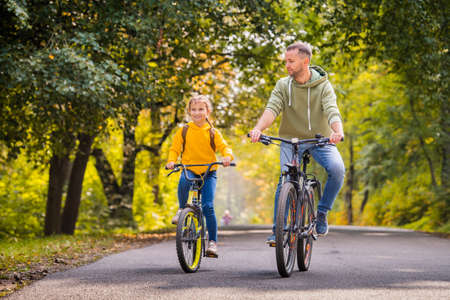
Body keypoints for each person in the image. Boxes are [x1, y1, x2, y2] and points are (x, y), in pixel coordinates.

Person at [249, 41, 345, 243]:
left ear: (305, 61)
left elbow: (331, 110)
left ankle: (321, 212)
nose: (287, 65)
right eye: (286, 61)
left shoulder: (323, 86)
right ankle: (279, 230)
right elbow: (272, 109)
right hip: (290, 140)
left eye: (291, 61)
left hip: (320, 140)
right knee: (285, 180)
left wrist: (338, 131)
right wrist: (259, 129)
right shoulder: (283, 85)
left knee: (337, 169)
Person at [166, 94, 234, 257]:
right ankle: (182, 208)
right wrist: (171, 161)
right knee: (183, 181)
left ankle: (212, 242)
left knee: (208, 206)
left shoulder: (212, 131)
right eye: (194, 110)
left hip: (208, 172)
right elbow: (175, 149)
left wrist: (227, 157)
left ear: (208, 111)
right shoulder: (184, 130)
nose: (197, 113)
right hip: (189, 168)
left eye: (201, 109)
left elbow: (225, 148)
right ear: (189, 112)